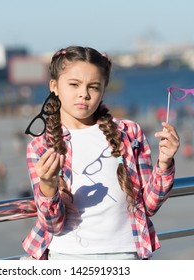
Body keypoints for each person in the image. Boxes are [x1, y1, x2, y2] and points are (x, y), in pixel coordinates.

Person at [21, 46, 180, 260]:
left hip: (126, 253)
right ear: (54, 87)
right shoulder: (40, 147)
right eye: (74, 84)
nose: (84, 94)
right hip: (68, 256)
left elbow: (149, 205)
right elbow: (54, 225)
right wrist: (48, 187)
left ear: (103, 90)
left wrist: (164, 164)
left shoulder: (129, 133)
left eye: (93, 87)